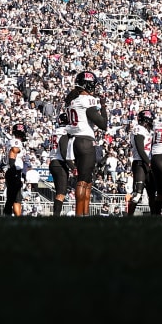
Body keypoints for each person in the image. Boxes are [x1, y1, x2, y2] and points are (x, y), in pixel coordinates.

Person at [62, 70, 108, 217]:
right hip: (85, 141)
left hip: (75, 141)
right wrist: (103, 106)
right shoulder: (86, 101)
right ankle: (80, 214)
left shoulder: (72, 102)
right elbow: (103, 124)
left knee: (87, 180)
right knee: (83, 181)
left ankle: (84, 214)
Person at [125, 109, 154, 217]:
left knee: (152, 193)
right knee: (137, 194)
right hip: (140, 163)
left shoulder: (146, 131)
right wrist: (149, 162)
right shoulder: (139, 129)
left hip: (146, 162)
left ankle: (154, 216)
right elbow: (140, 149)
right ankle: (129, 216)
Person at [48, 112, 75, 217]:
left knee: (58, 192)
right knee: (61, 192)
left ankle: (56, 215)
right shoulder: (65, 132)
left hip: (53, 161)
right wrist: (72, 167)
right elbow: (64, 151)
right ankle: (56, 216)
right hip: (60, 162)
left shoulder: (55, 131)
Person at [3, 123, 29, 216]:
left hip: (13, 171)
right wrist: (14, 171)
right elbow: (13, 153)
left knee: (13, 197)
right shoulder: (16, 142)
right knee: (15, 198)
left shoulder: (12, 141)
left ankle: (8, 216)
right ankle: (15, 218)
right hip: (14, 171)